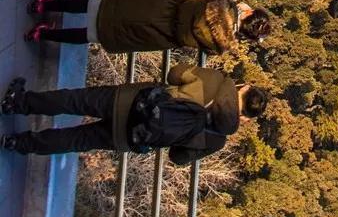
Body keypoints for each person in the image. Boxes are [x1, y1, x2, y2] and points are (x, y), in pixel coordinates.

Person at [1, 68, 268, 159]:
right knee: (77, 140)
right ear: (245, 118)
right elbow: (178, 157)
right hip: (134, 136)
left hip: (130, 101)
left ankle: (18, 103)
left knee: (75, 101)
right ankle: (18, 143)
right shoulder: (217, 139)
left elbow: (174, 73)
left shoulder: (214, 82)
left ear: (243, 87)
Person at [24, 0, 270, 52]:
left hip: (158, 5)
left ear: (249, 12)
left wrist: (235, 1)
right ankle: (43, 35)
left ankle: (46, 6)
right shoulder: (220, 44)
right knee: (96, 33)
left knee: (98, 5)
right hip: (155, 34)